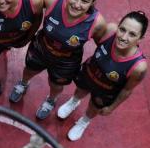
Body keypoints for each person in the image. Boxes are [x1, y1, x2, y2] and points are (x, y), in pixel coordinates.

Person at [9, 0, 107, 120]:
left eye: (85, 1)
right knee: (29, 70)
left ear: (93, 2)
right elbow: (32, 8)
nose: (77, 4)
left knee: (56, 84)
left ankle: (51, 100)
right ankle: (23, 83)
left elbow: (102, 47)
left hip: (66, 61)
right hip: (41, 48)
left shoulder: (97, 23)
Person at [57, 11, 147, 141]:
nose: (124, 37)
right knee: (80, 90)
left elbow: (127, 90)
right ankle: (74, 102)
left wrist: (111, 108)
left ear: (140, 38)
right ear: (118, 26)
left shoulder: (139, 67)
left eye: (132, 34)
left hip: (106, 90)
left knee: (94, 107)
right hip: (90, 73)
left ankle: (84, 121)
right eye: (122, 29)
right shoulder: (110, 31)